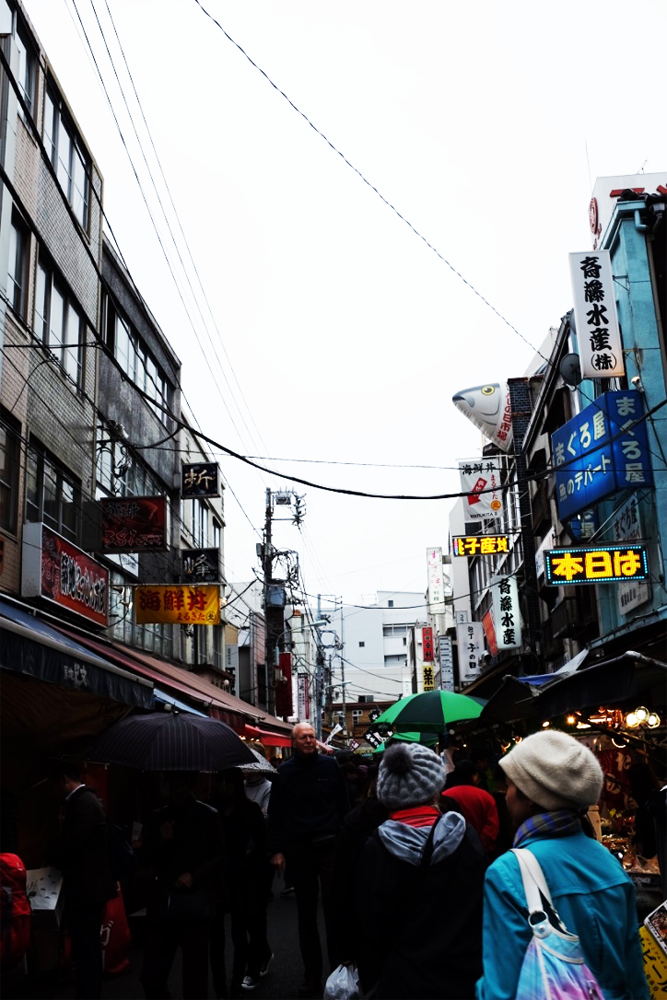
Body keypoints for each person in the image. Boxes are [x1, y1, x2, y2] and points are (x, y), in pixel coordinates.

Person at [476, 730, 650, 1000]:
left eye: (510, 785)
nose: (506, 796)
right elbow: (634, 977)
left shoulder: (508, 872)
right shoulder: (608, 862)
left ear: (531, 795)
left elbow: (502, 989)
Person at [357, 743, 485, 999]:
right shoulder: (465, 837)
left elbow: (371, 924)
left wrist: (370, 978)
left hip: (403, 977)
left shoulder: (377, 847)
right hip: (463, 973)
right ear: (435, 788)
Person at [268, 723, 350, 998]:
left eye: (312, 736)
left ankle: (340, 972)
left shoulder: (330, 766)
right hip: (299, 848)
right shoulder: (284, 773)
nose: (309, 740)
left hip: (329, 844)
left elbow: (343, 804)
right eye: (303, 737)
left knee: (334, 910)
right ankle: (311, 975)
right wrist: (277, 851)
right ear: (293, 742)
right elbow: (277, 815)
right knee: (306, 917)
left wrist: (344, 838)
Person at [139, 772, 224, 1000]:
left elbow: (220, 856)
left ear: (187, 784)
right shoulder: (158, 817)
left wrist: (194, 876)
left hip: (196, 905)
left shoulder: (207, 815)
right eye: (166, 782)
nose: (169, 788)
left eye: (174, 783)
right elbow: (144, 857)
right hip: (163, 904)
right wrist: (163, 841)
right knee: (152, 976)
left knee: (194, 979)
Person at [48, 762, 117, 1000]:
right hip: (92, 887)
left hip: (86, 889)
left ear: (65, 780)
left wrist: (57, 841)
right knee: (88, 949)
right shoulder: (89, 802)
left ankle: (88, 995)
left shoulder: (82, 805)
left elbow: (70, 846)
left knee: (86, 949)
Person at [209, 769, 272, 998]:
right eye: (220, 782)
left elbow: (263, 845)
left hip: (243, 878)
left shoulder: (248, 810)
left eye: (228, 782)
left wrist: (249, 863)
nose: (223, 787)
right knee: (217, 936)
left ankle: (241, 976)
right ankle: (221, 984)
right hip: (218, 878)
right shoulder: (210, 811)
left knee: (241, 929)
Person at [441, 760, 500, 857]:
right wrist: (479, 846)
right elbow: (491, 827)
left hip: (452, 853)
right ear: (474, 776)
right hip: (482, 853)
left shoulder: (444, 796)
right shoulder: (486, 797)